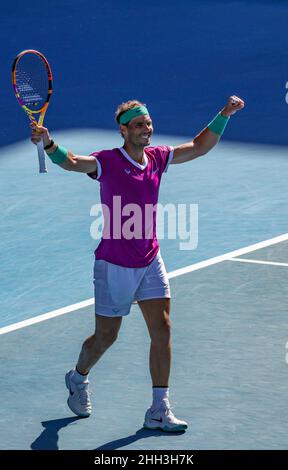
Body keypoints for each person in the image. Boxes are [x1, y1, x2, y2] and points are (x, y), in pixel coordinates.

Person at [31, 96, 245, 432]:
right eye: (139, 125)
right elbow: (72, 162)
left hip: (149, 259)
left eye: (148, 123)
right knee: (105, 338)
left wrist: (225, 114)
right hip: (114, 265)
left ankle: (159, 408)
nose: (147, 129)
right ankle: (78, 376)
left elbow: (199, 147)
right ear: (124, 130)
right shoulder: (108, 162)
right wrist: (49, 144)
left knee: (162, 328)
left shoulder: (158, 158)